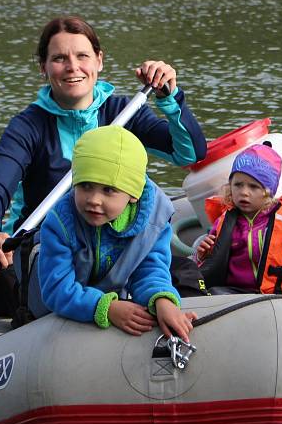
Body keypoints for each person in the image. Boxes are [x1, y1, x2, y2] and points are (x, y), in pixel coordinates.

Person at [0, 15, 207, 273]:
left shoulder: (125, 112)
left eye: (82, 56)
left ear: (99, 60)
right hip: (46, 249)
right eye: (59, 58)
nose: (73, 66)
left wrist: (169, 97)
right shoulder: (28, 126)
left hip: (112, 244)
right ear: (44, 67)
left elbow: (190, 154)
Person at [37, 125, 196, 339]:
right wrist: (108, 308)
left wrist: (162, 300)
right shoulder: (60, 223)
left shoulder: (154, 222)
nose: (93, 199)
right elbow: (56, 288)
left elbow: (150, 270)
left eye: (108, 190)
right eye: (85, 186)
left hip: (114, 296)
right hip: (52, 313)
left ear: (134, 194)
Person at [194, 144, 282, 303]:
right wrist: (202, 255)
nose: (244, 192)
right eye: (238, 184)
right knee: (213, 294)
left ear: (269, 191)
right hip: (241, 292)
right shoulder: (224, 221)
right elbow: (212, 264)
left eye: (254, 186)